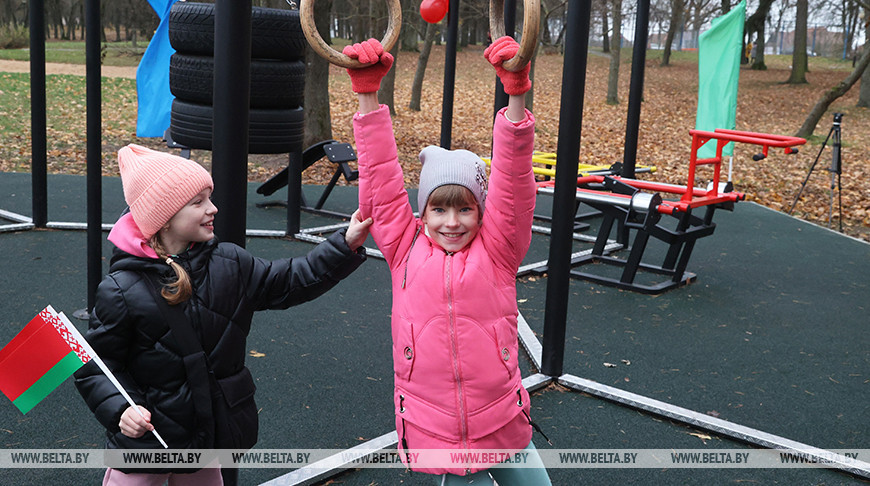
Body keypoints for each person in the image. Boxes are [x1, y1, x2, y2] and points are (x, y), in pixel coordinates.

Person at [74, 144, 371, 485]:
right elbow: (97, 365)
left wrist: (344, 244)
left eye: (209, 198)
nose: (212, 208)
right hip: (147, 440)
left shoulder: (230, 262)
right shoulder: (122, 289)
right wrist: (122, 410)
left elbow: (290, 280)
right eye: (197, 202)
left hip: (206, 431)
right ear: (164, 216)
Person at [346, 37, 552, 485]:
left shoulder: (498, 250)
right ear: (423, 213)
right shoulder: (404, 248)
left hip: (498, 411)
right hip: (433, 417)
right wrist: (367, 95)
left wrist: (516, 94)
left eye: (465, 209)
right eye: (439, 209)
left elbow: (513, 181)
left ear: (482, 211)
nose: (452, 222)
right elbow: (381, 179)